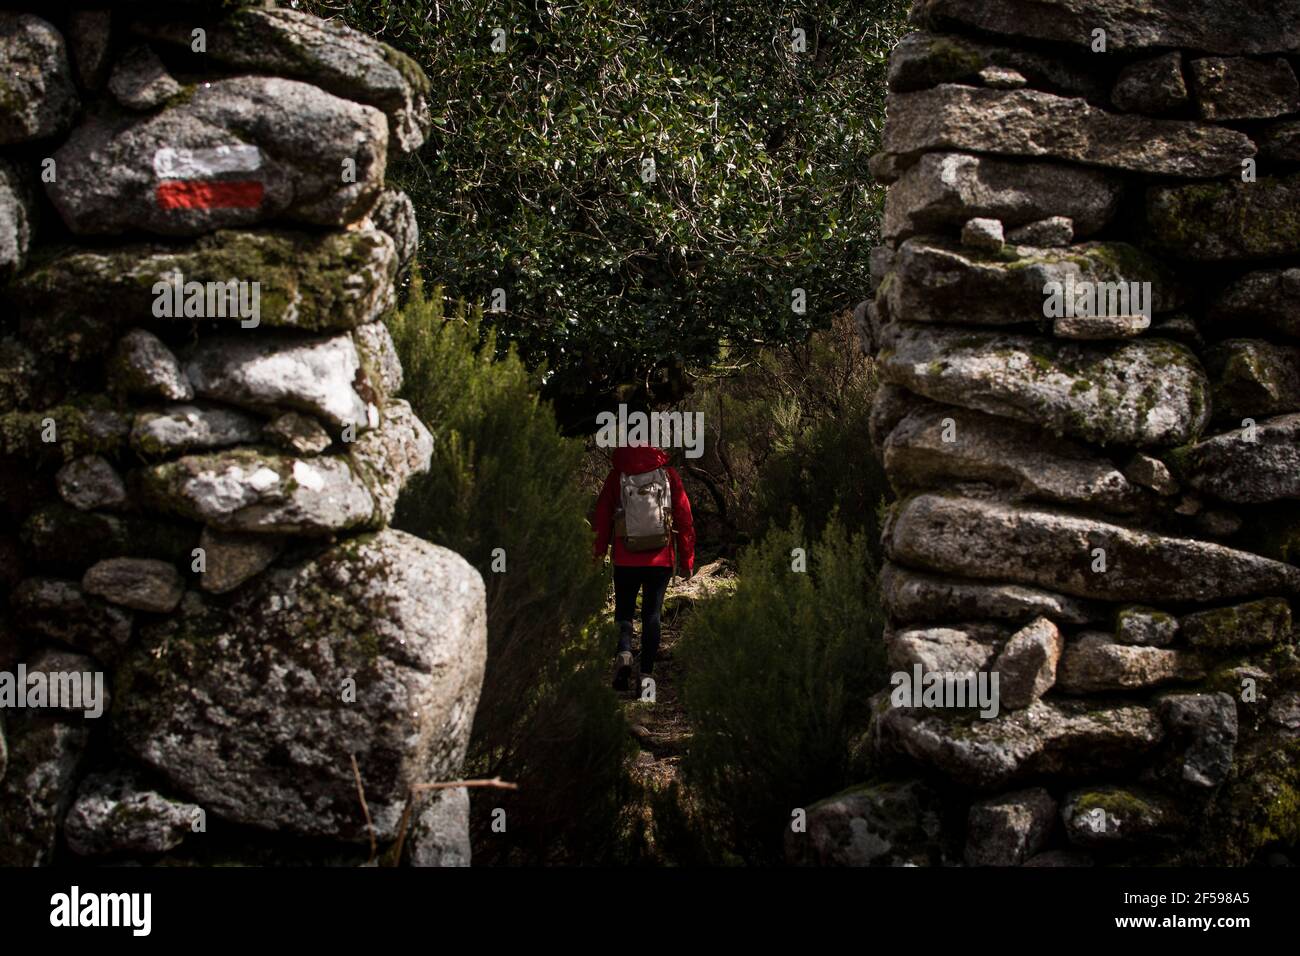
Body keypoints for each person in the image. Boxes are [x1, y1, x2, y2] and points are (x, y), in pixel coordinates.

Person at [592, 443, 696, 692]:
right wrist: (687, 559)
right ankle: (646, 674)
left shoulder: (617, 475)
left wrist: (596, 555)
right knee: (652, 615)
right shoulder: (668, 474)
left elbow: (602, 517)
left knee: (624, 612)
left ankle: (625, 654)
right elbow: (684, 518)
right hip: (660, 559)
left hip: (626, 558)